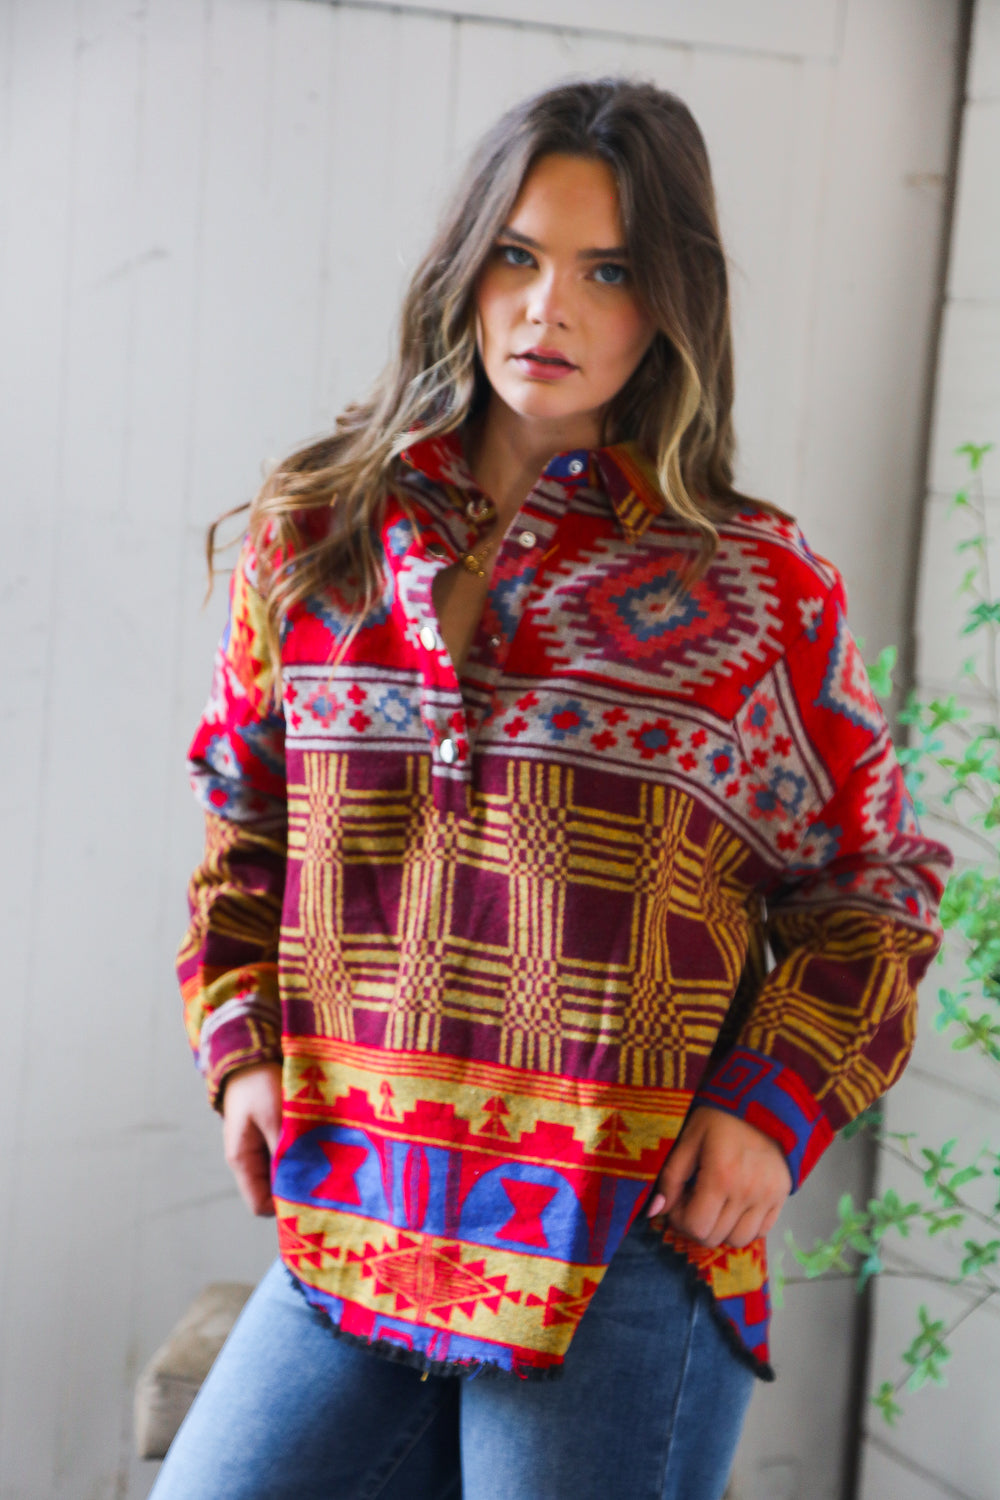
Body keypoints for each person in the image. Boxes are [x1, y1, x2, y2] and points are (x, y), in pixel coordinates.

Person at [152, 77, 950, 1500]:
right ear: (464, 268)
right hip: (355, 1212)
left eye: (608, 271)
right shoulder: (320, 533)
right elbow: (248, 821)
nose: (547, 308)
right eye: (516, 255)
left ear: (671, 304)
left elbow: (875, 888)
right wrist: (243, 1044)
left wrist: (773, 1109)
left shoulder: (759, 588)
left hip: (624, 1245)